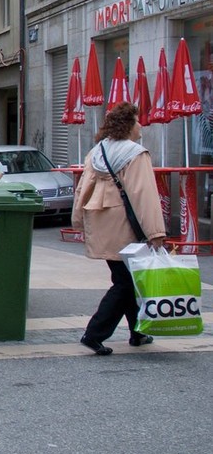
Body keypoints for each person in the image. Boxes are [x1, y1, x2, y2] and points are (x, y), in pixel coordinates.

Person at [71, 101, 166, 356]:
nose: (141, 125)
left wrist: (78, 220)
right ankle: (94, 334)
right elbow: (144, 194)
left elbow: (82, 189)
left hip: (102, 222)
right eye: (137, 120)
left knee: (127, 278)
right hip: (124, 225)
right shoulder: (135, 153)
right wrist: (156, 232)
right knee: (125, 282)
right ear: (128, 125)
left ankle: (138, 332)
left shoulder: (98, 151)